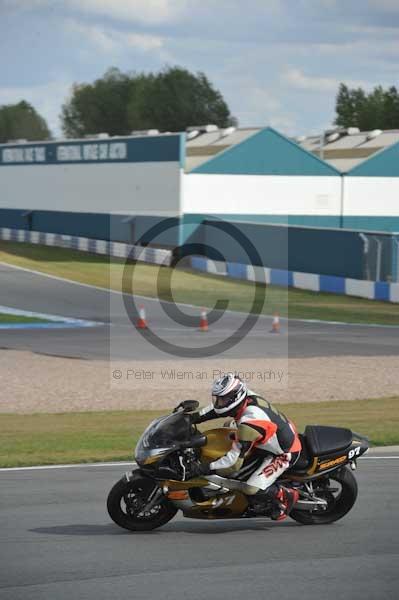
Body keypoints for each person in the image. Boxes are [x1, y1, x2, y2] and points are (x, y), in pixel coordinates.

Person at [189, 372, 301, 521]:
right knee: (227, 431)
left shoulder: (249, 421)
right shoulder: (246, 396)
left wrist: (203, 468)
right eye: (218, 398)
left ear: (235, 397)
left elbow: (233, 464)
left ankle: (285, 496)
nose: (219, 403)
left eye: (223, 399)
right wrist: (191, 418)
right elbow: (216, 410)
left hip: (283, 452)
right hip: (269, 435)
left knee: (251, 488)